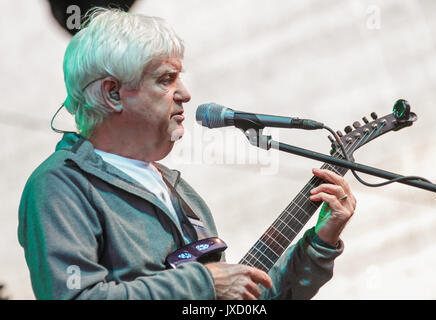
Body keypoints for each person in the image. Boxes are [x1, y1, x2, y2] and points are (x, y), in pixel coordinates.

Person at [18, 8, 356, 300]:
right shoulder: (60, 186)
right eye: (166, 79)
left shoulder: (177, 190)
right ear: (113, 94)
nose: (185, 93)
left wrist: (320, 244)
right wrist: (205, 282)